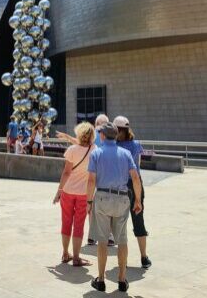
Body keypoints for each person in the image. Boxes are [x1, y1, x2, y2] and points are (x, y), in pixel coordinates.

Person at [86, 121, 142, 293]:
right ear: (116, 135)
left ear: (102, 135)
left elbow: (91, 180)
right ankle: (122, 280)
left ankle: (101, 280)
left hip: (102, 197)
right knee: (122, 240)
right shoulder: (125, 153)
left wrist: (89, 201)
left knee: (102, 240)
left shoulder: (97, 153)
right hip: (122, 199)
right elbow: (135, 177)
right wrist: (138, 200)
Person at [53, 121, 95, 266]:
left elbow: (66, 173)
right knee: (79, 225)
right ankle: (76, 257)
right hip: (84, 194)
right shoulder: (94, 150)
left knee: (66, 222)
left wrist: (59, 191)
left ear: (79, 133)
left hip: (68, 191)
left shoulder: (71, 150)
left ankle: (65, 254)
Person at [114, 116, 151, 269]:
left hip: (121, 185)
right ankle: (144, 257)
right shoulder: (136, 144)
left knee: (120, 222)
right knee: (138, 219)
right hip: (136, 184)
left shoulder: (114, 145)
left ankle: (124, 260)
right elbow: (138, 166)